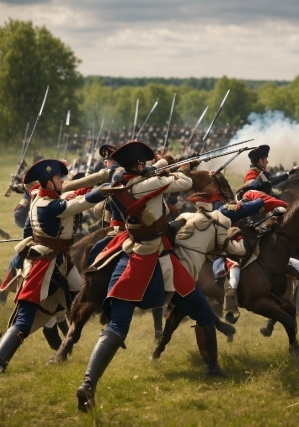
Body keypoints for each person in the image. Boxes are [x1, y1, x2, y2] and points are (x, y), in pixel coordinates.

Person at [76, 141, 224, 413]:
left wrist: (155, 170)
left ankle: (88, 384)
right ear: (140, 164)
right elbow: (182, 181)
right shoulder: (147, 184)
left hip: (132, 252)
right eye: (144, 164)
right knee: (203, 314)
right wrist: (181, 167)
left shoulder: (120, 184)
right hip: (159, 256)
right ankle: (213, 368)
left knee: (117, 327)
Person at [0, 159, 107, 372]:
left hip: (61, 261)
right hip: (44, 265)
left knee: (83, 298)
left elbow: (74, 194)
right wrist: (107, 187)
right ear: (50, 183)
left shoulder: (41, 197)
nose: (63, 181)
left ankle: (71, 344)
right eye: (59, 178)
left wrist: (101, 178)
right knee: (25, 317)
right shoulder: (50, 205)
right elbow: (81, 202)